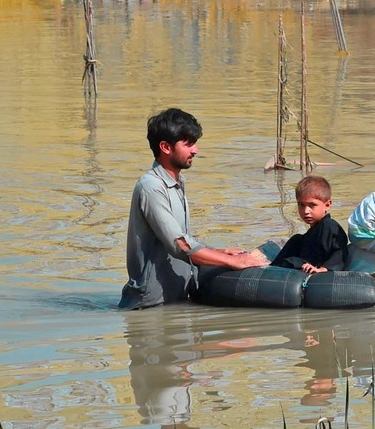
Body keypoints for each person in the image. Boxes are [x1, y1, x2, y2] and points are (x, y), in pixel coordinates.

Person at [120, 108, 267, 310]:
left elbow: (182, 239)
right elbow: (179, 245)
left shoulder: (177, 182)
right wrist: (235, 262)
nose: (195, 150)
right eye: (188, 144)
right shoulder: (151, 187)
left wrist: (219, 251)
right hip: (149, 308)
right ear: (165, 147)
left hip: (174, 302)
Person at [270, 176, 348, 273]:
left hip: (318, 270)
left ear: (327, 205)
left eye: (312, 205)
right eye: (301, 205)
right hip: (304, 266)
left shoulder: (329, 226)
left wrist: (323, 269)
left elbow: (340, 252)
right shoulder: (308, 234)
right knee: (296, 239)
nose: (306, 211)